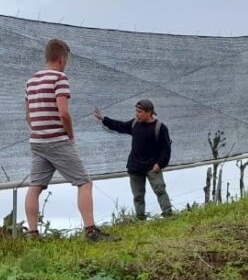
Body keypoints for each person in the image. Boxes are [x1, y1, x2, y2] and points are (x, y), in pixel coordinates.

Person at [24, 39, 116, 241]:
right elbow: (64, 113)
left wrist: (40, 131)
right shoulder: (59, 78)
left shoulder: (31, 81)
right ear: (62, 58)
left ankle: (32, 234)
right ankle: (91, 231)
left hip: (37, 141)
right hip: (57, 140)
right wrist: (69, 135)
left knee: (35, 186)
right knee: (84, 183)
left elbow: (28, 116)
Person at [94, 99, 172, 220]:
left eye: (140, 112)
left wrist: (160, 164)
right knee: (138, 196)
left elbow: (166, 149)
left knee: (160, 190)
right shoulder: (134, 124)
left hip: (153, 167)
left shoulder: (160, 128)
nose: (137, 114)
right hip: (135, 167)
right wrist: (104, 120)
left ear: (149, 112)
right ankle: (140, 219)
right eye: (136, 111)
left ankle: (168, 215)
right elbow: (120, 126)